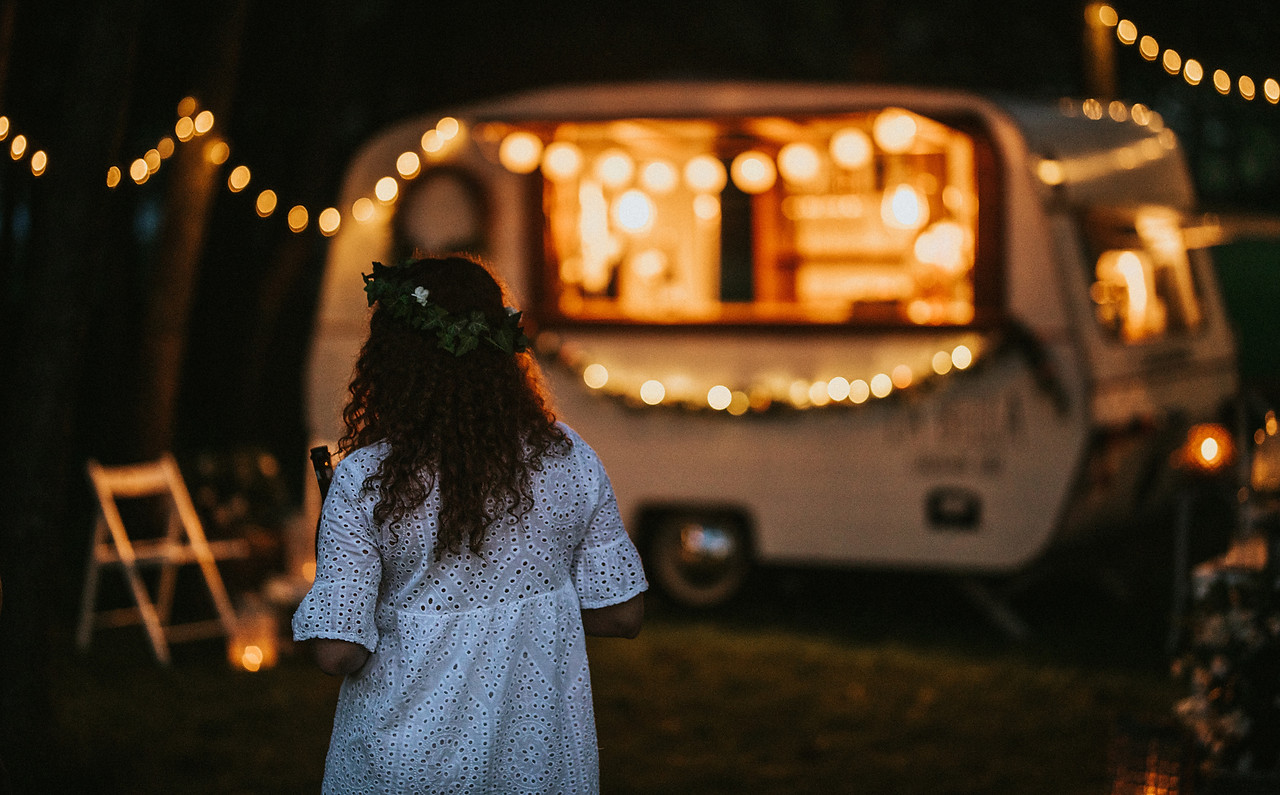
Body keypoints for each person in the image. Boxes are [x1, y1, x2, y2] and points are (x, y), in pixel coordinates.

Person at [292, 255, 647, 794]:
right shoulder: (569, 457)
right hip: (536, 762)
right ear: (501, 349)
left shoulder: (368, 480)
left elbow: (337, 650)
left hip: (404, 767)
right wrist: (528, 610)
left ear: (391, 360)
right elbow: (623, 613)